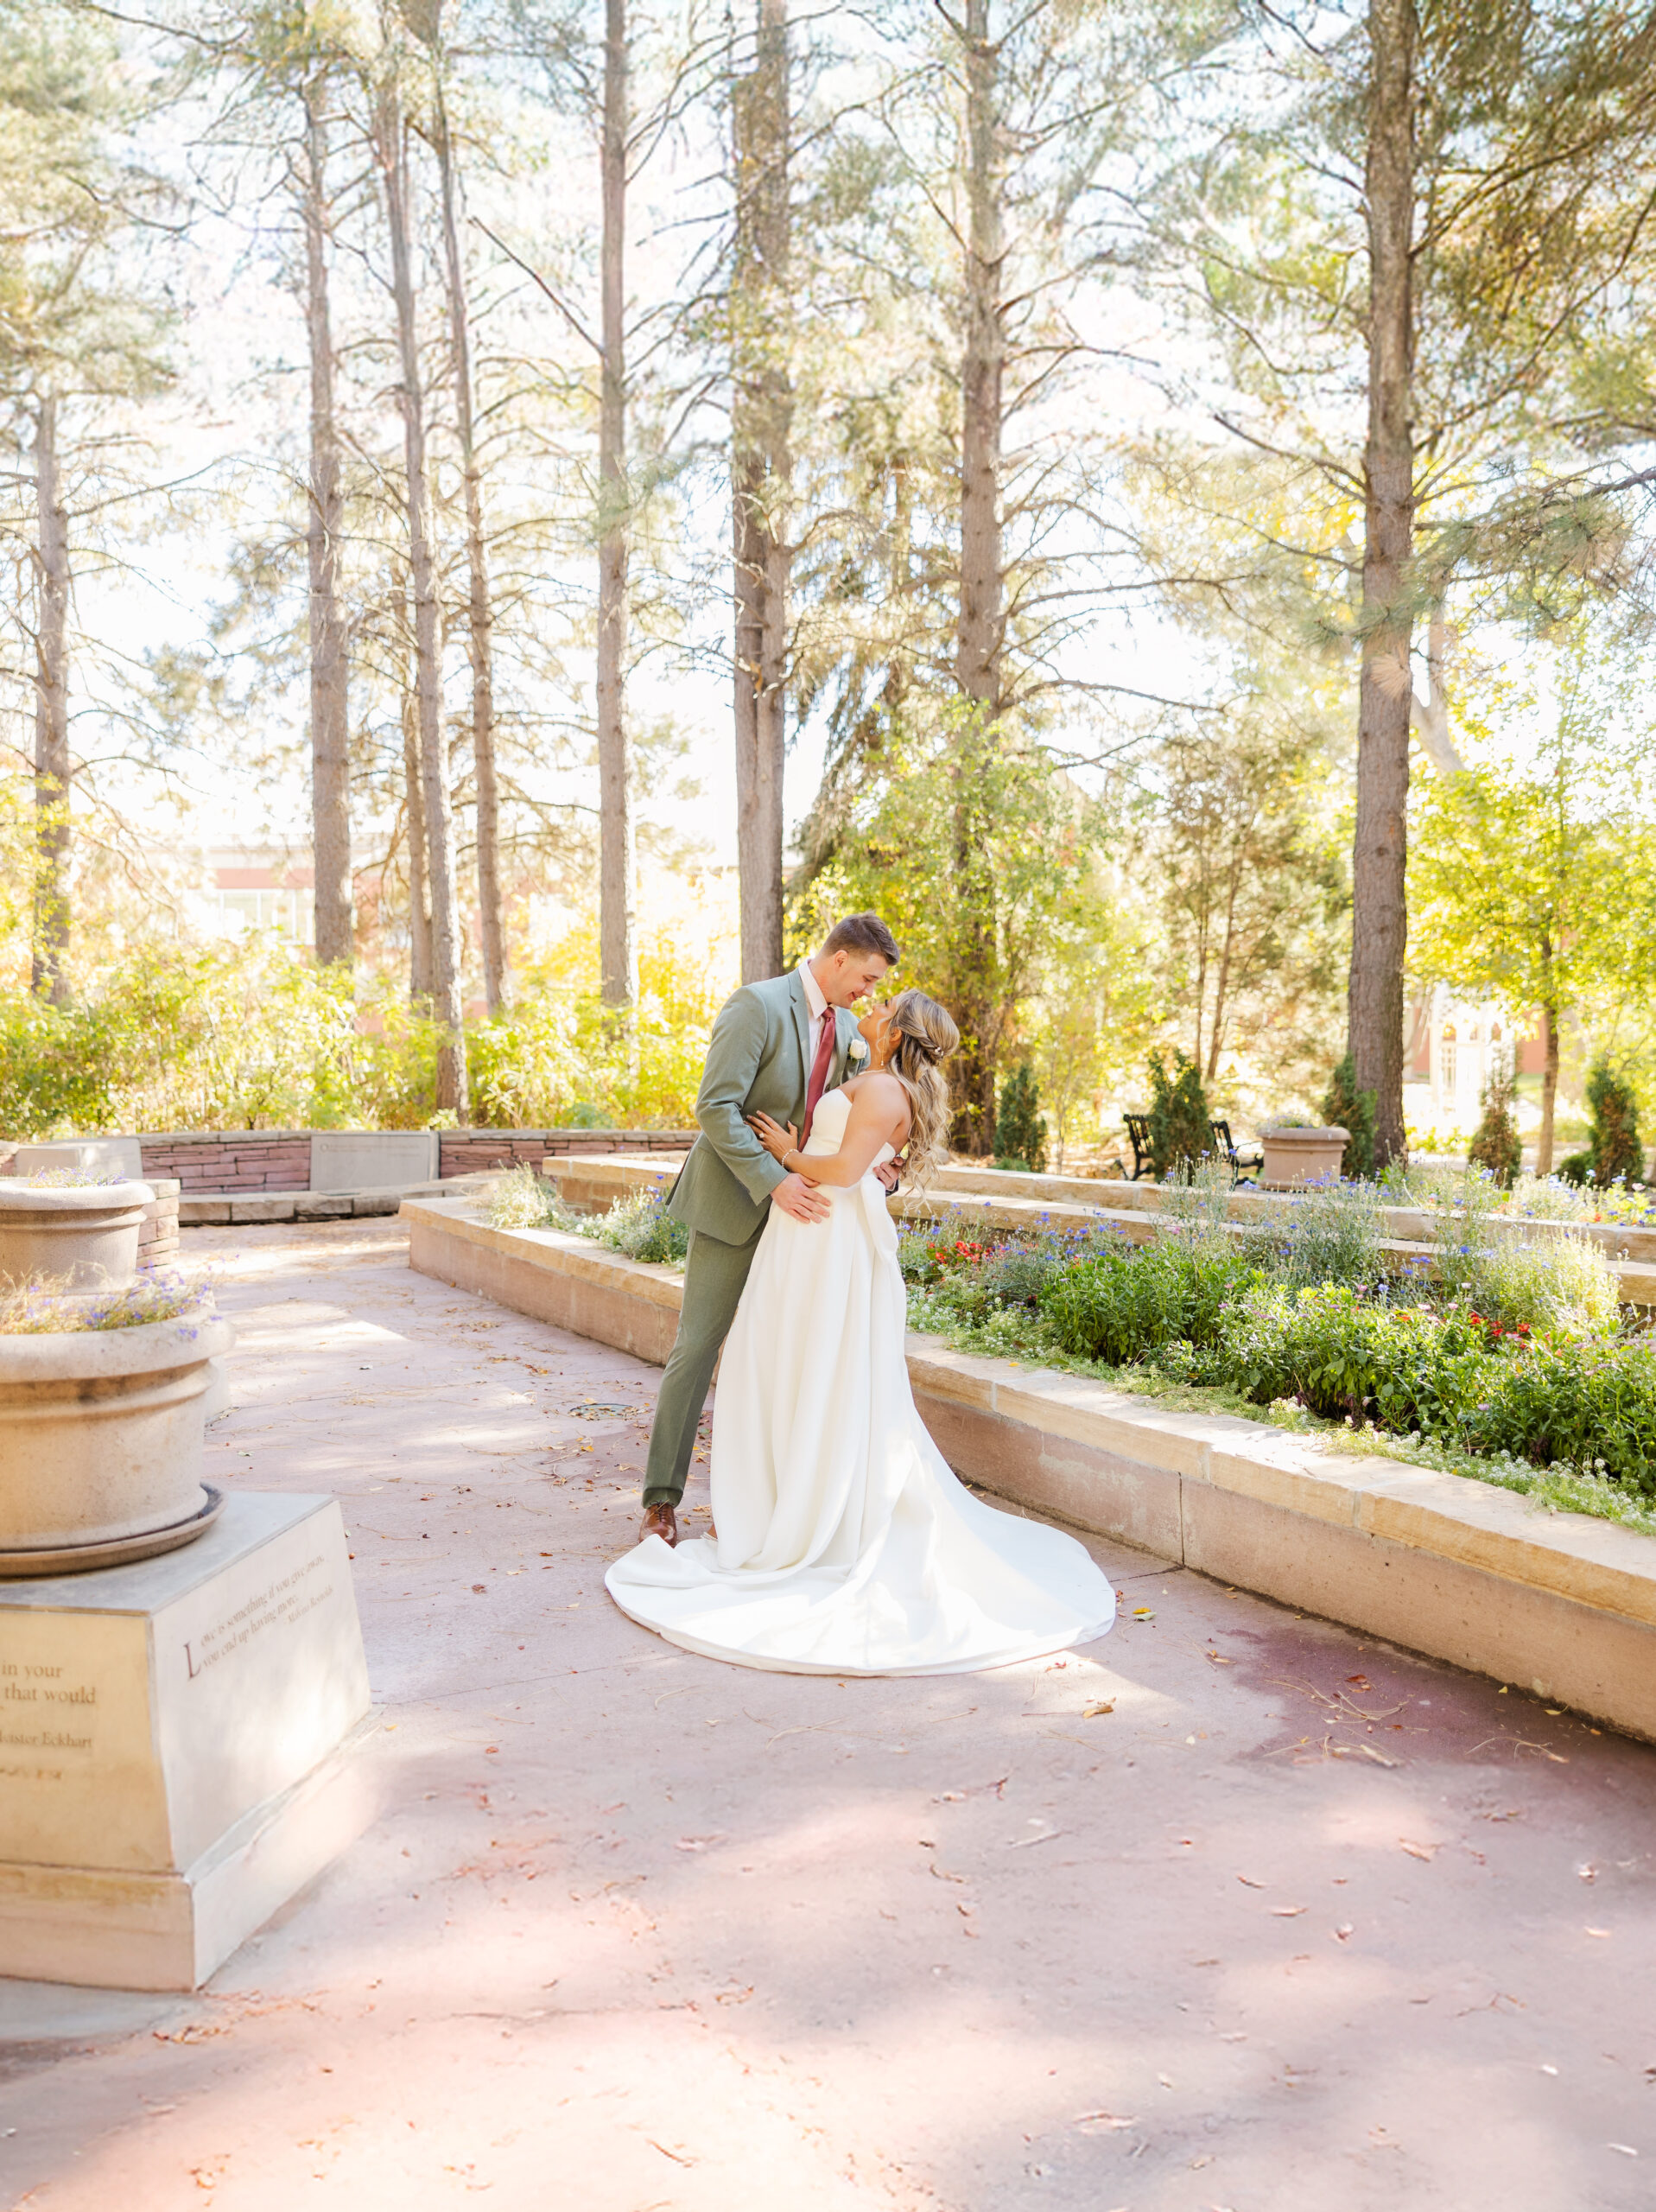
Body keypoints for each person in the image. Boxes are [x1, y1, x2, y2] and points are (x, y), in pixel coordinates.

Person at [606, 987, 1118, 1676]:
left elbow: (844, 1170)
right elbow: (859, 1156)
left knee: (815, 1365)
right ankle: (772, 1501)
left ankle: (803, 1513)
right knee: (780, 1363)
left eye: (883, 1005)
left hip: (824, 1231)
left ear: (897, 1030)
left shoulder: (882, 1089)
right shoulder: (874, 1077)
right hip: (806, 1232)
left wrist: (788, 1153)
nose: (868, 1009)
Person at [635, 912, 903, 1548]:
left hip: (806, 1230)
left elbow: (847, 1121)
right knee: (697, 1349)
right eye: (865, 978)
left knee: (785, 1363)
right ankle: (660, 1501)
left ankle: (767, 1505)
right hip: (737, 1206)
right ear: (839, 959)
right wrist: (773, 1178)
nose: (868, 991)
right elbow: (714, 1107)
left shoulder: (850, 1034)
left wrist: (880, 1167)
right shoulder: (755, 1005)